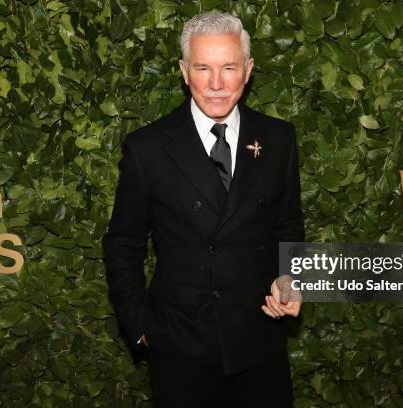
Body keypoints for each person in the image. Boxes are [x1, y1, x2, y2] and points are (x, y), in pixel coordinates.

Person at [103, 11, 304, 408]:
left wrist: (290, 279)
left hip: (259, 345)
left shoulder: (278, 139)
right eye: (203, 68)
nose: (216, 84)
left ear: (247, 70)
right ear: (183, 71)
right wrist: (140, 325)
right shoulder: (148, 148)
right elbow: (123, 241)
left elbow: (288, 224)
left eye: (228, 67)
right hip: (180, 348)